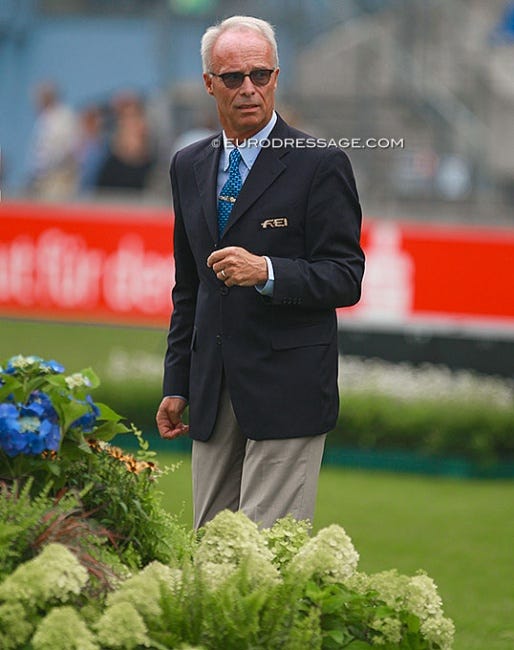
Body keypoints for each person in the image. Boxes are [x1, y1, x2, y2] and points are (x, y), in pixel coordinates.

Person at [156, 15, 365, 529]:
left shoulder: (321, 163)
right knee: (210, 551)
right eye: (233, 78)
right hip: (211, 389)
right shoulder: (188, 164)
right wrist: (177, 381)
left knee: (264, 558)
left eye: (261, 75)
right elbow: (189, 287)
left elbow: (345, 276)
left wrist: (267, 271)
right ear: (209, 84)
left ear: (276, 77)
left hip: (287, 390)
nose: (248, 89)